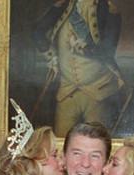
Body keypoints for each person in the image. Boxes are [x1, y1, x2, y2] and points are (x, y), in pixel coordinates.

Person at [32, 0, 123, 137]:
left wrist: (79, 46)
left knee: (95, 142)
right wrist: (52, 57)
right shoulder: (64, 5)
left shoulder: (108, 8)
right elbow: (38, 31)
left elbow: (107, 51)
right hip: (66, 89)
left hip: (97, 90)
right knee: (60, 141)